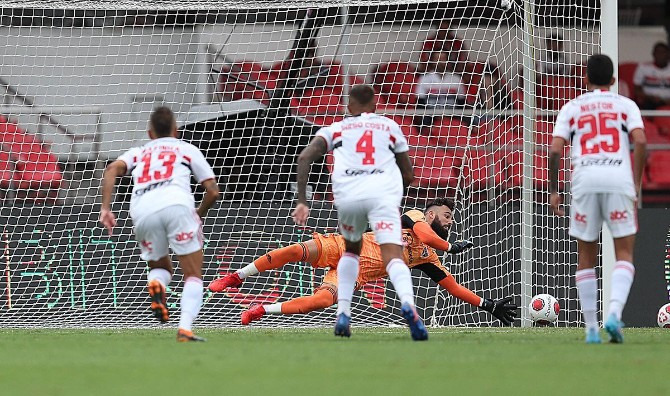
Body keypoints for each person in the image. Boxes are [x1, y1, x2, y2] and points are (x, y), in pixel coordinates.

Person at [209, 199, 517, 326]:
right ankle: (236, 276)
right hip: (345, 246)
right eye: (447, 216)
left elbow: (451, 286)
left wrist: (487, 305)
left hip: (353, 274)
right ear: (433, 213)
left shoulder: (429, 257)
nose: (450, 222)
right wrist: (449, 246)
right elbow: (425, 233)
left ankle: (261, 310)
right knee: (293, 251)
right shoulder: (416, 218)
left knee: (320, 302)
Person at [290, 84, 427, 340]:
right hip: (382, 196)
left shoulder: (336, 128)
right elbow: (409, 173)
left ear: (349, 106)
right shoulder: (389, 126)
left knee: (351, 250)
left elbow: (304, 158)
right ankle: (408, 304)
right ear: (375, 105)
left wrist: (302, 201)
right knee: (393, 255)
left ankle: (343, 312)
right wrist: (396, 188)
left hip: (349, 197)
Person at [99, 106, 220, 342]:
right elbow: (213, 191)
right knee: (193, 274)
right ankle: (185, 328)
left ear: (150, 133)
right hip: (177, 205)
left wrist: (106, 208)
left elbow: (111, 169)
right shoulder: (186, 149)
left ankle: (155, 283)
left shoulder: (139, 152)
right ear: (176, 131)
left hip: (143, 210)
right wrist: (199, 213)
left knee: (161, 267)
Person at [549, 54, 646, 344]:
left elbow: (555, 149)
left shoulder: (572, 107)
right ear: (614, 80)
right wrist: (636, 184)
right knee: (625, 254)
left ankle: (592, 328)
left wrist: (555, 191)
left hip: (585, 179)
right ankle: (614, 314)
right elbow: (640, 141)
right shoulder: (626, 104)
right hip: (618, 179)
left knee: (586, 257)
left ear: (585, 80)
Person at [633, 42, 670, 109]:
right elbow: (636, 90)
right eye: (658, 52)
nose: (660, 55)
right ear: (653, 54)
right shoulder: (643, 67)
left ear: (668, 54)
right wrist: (650, 97)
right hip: (650, 101)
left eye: (663, 52)